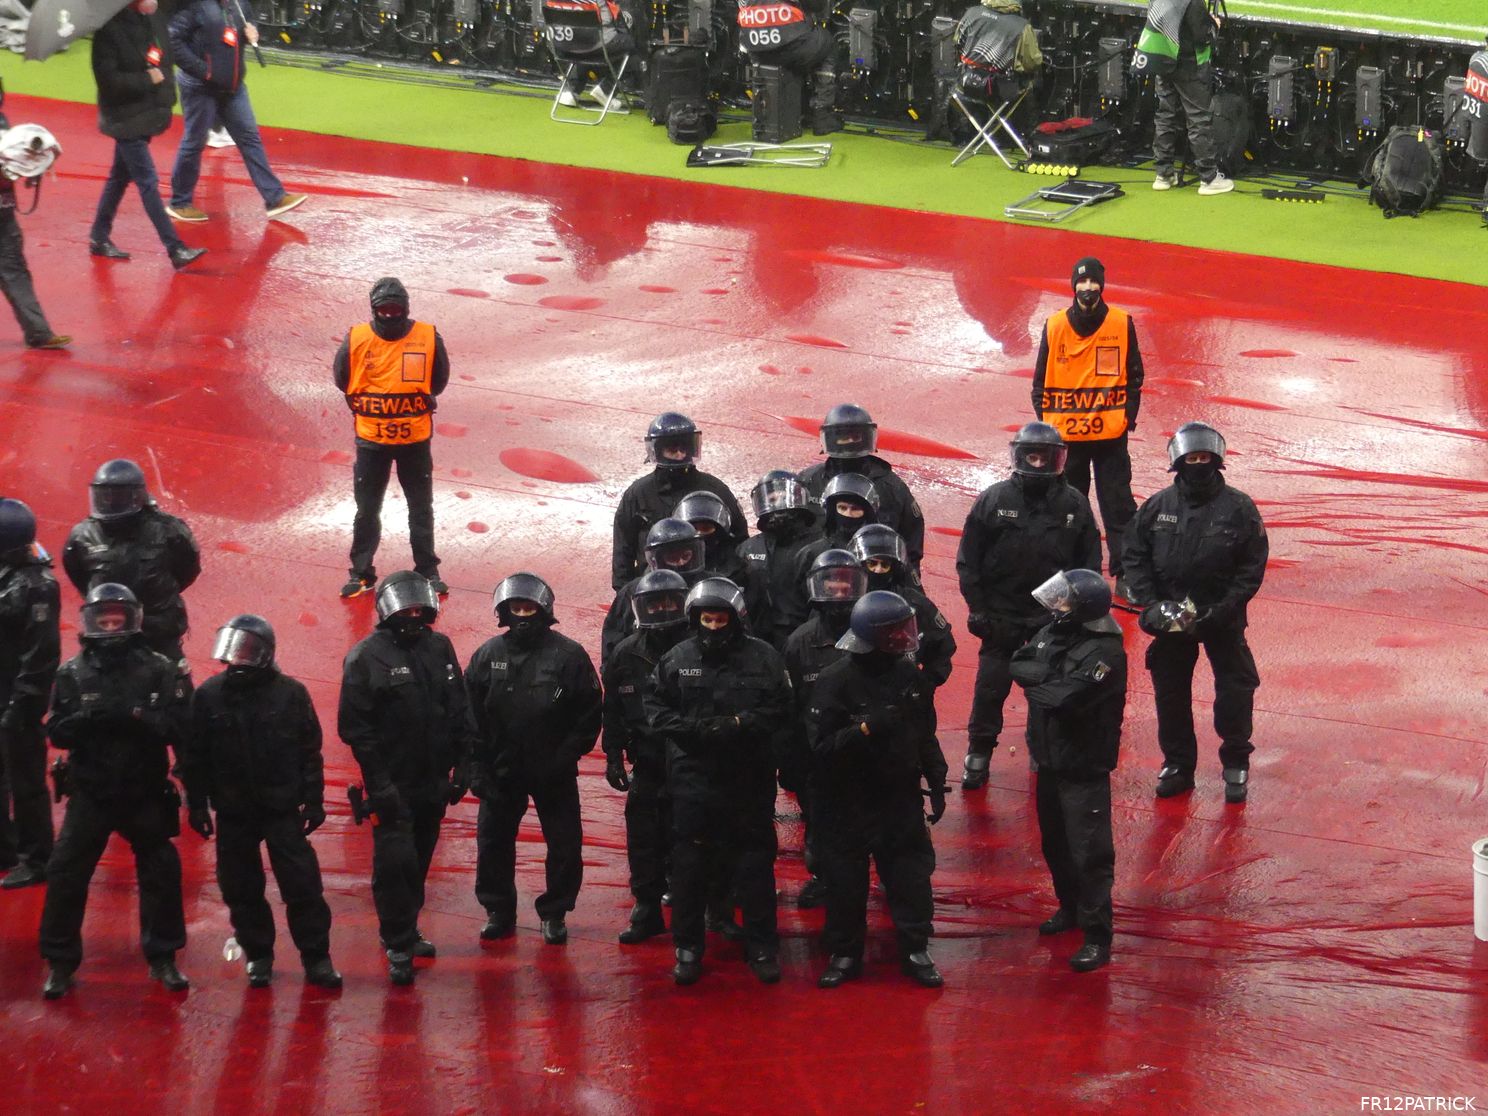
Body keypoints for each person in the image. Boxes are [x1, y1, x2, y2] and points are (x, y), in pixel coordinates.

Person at [38, 584, 189, 999]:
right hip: (91, 793)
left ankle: (163, 957)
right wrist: (86, 719)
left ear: (131, 619)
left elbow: (178, 728)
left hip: (144, 790)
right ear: (91, 620)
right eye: (102, 618)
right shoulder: (72, 673)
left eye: (116, 618)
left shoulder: (160, 668)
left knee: (160, 870)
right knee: (65, 872)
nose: (109, 624)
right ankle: (60, 962)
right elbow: (57, 732)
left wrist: (138, 717)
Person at [646, 578, 791, 986]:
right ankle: (688, 947)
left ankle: (762, 946)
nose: (713, 625)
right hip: (694, 781)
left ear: (736, 618)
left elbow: (782, 707)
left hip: (748, 780)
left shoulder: (764, 658)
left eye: (720, 617)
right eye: (706, 618)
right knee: (689, 869)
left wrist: (739, 726)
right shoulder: (676, 659)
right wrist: (693, 732)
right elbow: (655, 707)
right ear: (695, 619)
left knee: (755, 866)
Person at [182, 614, 340, 989]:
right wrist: (198, 804)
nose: (237, 660)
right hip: (234, 811)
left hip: (281, 808)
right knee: (240, 888)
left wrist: (314, 801)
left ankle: (316, 958)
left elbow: (309, 751)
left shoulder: (291, 693)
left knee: (303, 886)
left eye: (246, 652)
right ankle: (259, 956)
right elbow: (195, 756)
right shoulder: (208, 695)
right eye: (233, 651)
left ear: (266, 654)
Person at [338, 572, 475, 984]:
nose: (415, 615)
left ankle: (407, 927)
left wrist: (464, 763)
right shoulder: (365, 657)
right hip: (392, 783)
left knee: (420, 858)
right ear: (389, 610)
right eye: (407, 609)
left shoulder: (439, 647)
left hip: (432, 778)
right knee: (395, 863)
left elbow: (458, 705)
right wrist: (379, 786)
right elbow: (356, 730)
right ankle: (397, 942)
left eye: (420, 608)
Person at [807, 590, 948, 988]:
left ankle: (915, 948)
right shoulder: (835, 682)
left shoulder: (910, 676)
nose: (906, 637)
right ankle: (846, 953)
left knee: (910, 877)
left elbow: (925, 734)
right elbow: (821, 747)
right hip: (846, 801)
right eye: (897, 631)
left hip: (898, 797)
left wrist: (936, 781)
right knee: (845, 883)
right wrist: (865, 729)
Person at [1122, 422, 1267, 802]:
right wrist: (1152, 604)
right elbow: (1134, 555)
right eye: (1192, 458)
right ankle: (1177, 764)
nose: (1198, 464)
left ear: (1216, 461)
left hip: (1223, 619)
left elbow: (1252, 566)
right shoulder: (1157, 507)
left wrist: (1224, 609)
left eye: (1204, 458)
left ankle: (1236, 759)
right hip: (1170, 621)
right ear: (1178, 462)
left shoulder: (1239, 508)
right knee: (1170, 695)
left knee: (1235, 690)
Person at [956, 423, 1100, 790]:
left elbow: (1088, 564)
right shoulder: (993, 500)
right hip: (1001, 617)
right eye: (1032, 456)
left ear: (1059, 460)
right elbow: (969, 559)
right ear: (1019, 457)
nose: (1038, 464)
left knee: (1048, 691)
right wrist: (979, 609)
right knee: (990, 689)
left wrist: (1072, 614)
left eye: (1045, 457)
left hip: (1050, 619)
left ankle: (1042, 751)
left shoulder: (1075, 505)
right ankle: (979, 752)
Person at [465, 573, 601, 946]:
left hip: (553, 770)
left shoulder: (570, 655)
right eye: (516, 608)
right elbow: (469, 714)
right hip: (500, 768)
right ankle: (498, 910)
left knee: (564, 844)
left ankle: (555, 912)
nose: (523, 615)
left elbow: (589, 712)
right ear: (505, 612)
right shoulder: (486, 655)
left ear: (544, 611)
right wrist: (477, 765)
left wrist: (565, 755)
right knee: (493, 841)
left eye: (529, 608)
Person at [1009, 569, 1126, 973]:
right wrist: (1048, 677)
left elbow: (1062, 698)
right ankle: (1069, 909)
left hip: (1083, 764)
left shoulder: (1106, 652)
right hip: (1048, 758)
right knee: (1055, 844)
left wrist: (1045, 678)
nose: (1056, 607)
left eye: (1064, 602)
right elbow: (1017, 663)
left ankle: (1097, 935)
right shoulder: (1054, 631)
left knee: (1090, 852)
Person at [1032, 257, 1145, 597]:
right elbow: (1040, 381)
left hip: (1110, 435)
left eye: (1094, 283)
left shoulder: (1121, 323)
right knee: (1069, 507)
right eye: (1082, 283)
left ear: (1102, 286)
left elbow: (1135, 375)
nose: (1088, 288)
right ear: (1073, 286)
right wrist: (1049, 424)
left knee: (1119, 505)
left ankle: (1126, 575)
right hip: (1068, 440)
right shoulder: (1054, 327)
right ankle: (1074, 573)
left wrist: (1127, 418)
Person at [333, 277, 451, 599]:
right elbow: (343, 378)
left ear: (406, 308)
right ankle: (361, 573)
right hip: (373, 443)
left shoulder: (427, 336)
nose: (389, 315)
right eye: (383, 310)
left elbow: (438, 379)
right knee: (367, 509)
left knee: (420, 507)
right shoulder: (356, 339)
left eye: (395, 309)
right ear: (373, 310)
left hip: (413, 441)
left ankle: (427, 569)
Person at [601, 569, 689, 943]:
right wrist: (612, 754)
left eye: (671, 601)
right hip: (649, 762)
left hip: (690, 762)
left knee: (692, 839)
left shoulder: (697, 647)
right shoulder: (626, 653)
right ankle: (647, 907)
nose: (664, 609)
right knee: (643, 838)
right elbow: (614, 708)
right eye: (656, 603)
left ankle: (698, 911)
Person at [89, 0, 206, 270]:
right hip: (125, 118)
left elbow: (164, 61)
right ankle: (175, 248)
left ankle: (98, 235)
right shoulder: (108, 32)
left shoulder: (153, 22)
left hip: (145, 113)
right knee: (148, 182)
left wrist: (162, 94)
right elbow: (108, 82)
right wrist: (147, 80)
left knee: (119, 177)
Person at [165, 0, 308, 221]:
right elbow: (172, 40)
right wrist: (204, 71)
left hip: (232, 85)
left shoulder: (239, 4)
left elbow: (243, 27)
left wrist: (251, 33)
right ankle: (180, 203)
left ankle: (275, 197)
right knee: (194, 142)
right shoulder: (194, 5)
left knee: (250, 138)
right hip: (200, 87)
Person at [62, 459, 202, 683]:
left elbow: (188, 569)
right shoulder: (83, 535)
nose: (109, 501)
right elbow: (77, 572)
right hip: (106, 632)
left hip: (157, 632)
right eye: (104, 495)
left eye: (116, 495)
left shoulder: (169, 531)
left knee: (175, 693)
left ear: (136, 496)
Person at [783, 549, 868, 909]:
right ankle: (821, 875)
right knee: (818, 817)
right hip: (818, 751)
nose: (837, 592)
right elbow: (790, 705)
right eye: (830, 583)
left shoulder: (873, 630)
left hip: (867, 747)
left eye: (845, 583)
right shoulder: (799, 642)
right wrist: (790, 759)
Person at [611, 412, 747, 590]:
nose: (680, 455)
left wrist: (726, 582)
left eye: (685, 449)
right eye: (672, 449)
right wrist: (626, 593)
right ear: (657, 451)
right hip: (655, 588)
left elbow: (739, 540)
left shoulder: (715, 489)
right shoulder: (638, 494)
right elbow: (623, 548)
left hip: (705, 587)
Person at [0, 499, 60, 889]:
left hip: (16, 698)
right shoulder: (11, 576)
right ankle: (5, 848)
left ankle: (37, 858)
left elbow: (40, 654)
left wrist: (22, 705)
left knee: (26, 782)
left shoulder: (35, 587)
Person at [799, 405, 924, 573]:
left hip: (874, 574)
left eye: (855, 436)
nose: (850, 442)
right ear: (830, 438)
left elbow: (911, 544)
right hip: (821, 575)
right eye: (843, 437)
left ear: (867, 437)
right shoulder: (809, 481)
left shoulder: (891, 487)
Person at [1139, 0, 1234, 195]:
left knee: (1165, 116)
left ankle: (1163, 174)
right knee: (1198, 119)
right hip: (1189, 64)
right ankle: (1208, 178)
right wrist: (1214, 25)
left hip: (1163, 60)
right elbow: (1202, 35)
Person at [0, 84, 70, 346]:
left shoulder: (6, 128)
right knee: (14, 270)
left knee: (15, 270)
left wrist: (31, 169)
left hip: (3, 212)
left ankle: (39, 332)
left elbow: (17, 162)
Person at [602, 517, 710, 666]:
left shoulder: (710, 586)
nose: (680, 563)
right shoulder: (633, 592)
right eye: (673, 558)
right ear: (655, 560)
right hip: (645, 668)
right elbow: (613, 644)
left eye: (685, 556)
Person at [736, 469, 822, 652]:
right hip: (758, 643)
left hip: (804, 641)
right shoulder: (748, 547)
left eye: (784, 497)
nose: (779, 505)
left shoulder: (817, 547)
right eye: (772, 499)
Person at [737, 0, 841, 134]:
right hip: (792, 45)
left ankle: (767, 111)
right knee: (827, 44)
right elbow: (817, 5)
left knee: (800, 45)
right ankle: (822, 113)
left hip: (756, 50)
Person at [545, 0, 640, 109]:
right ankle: (606, 90)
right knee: (634, 47)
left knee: (587, 46)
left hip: (560, 46)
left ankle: (570, 89)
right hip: (593, 44)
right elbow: (609, 19)